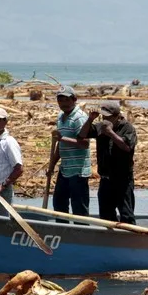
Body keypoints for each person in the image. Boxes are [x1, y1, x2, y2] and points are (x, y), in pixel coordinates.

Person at [48, 86, 97, 218]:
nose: (63, 103)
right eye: (60, 100)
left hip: (78, 170)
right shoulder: (60, 117)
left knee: (79, 208)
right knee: (59, 204)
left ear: (74, 100)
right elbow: (60, 144)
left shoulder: (79, 118)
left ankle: (81, 234)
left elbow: (84, 144)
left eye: (66, 100)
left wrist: (62, 138)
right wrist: (52, 165)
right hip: (65, 169)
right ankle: (63, 232)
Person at [89, 102, 138, 224]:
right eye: (103, 117)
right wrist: (90, 119)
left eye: (108, 117)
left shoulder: (128, 128)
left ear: (117, 116)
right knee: (106, 215)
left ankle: (129, 240)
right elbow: (83, 134)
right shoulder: (101, 127)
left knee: (126, 214)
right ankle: (109, 240)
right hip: (106, 179)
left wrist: (110, 133)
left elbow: (127, 147)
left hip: (123, 179)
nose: (105, 119)